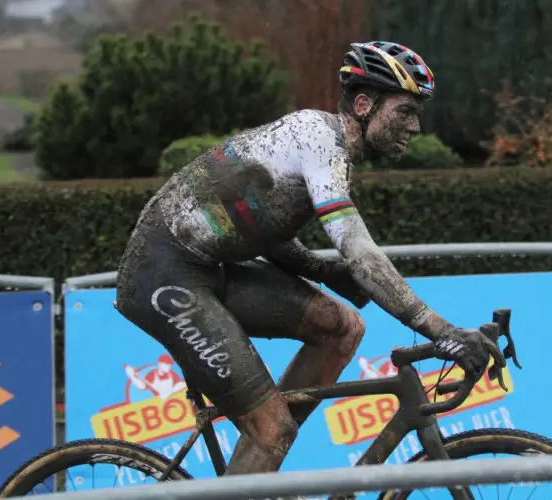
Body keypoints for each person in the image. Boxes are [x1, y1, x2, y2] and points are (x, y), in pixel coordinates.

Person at [115, 40, 504, 477]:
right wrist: (442, 330)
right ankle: (265, 440)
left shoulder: (324, 145)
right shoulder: (320, 140)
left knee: (343, 327)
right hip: (163, 273)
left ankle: (259, 463)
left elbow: (259, 225)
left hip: (207, 267)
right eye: (405, 112)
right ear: (363, 104)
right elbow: (360, 254)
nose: (415, 126)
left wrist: (320, 271)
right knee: (272, 429)